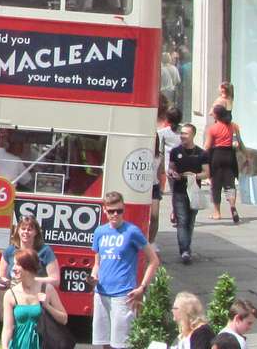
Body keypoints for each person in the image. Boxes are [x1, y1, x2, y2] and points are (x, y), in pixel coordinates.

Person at [89, 192, 160, 349]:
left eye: (119, 211)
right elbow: (97, 263)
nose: (115, 214)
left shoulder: (132, 231)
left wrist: (142, 287)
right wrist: (94, 275)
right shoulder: (100, 232)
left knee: (121, 345)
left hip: (123, 295)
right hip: (101, 294)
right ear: (105, 210)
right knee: (104, 343)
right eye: (111, 211)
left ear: (124, 209)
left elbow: (154, 260)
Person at [0, 251, 68, 349]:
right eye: (14, 264)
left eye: (18, 265)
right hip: (19, 346)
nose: (13, 268)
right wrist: (5, 347)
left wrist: (47, 306)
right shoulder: (10, 294)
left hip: (44, 345)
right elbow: (7, 328)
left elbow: (64, 319)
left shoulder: (47, 289)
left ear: (29, 267)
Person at [167, 123, 209, 264]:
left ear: (193, 135)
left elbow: (206, 173)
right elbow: (170, 169)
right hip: (179, 191)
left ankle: (187, 247)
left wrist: (194, 175)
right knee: (182, 221)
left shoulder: (202, 154)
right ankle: (184, 250)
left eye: (186, 133)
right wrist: (173, 174)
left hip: (194, 192)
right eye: (182, 133)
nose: (182, 136)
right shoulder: (175, 151)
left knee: (190, 222)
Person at [0, 216, 61, 290]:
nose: (26, 232)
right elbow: (0, 278)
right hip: (14, 296)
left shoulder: (45, 251)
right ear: (18, 230)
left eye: (29, 229)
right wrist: (6, 283)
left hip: (37, 296)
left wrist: (30, 280)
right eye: (23, 229)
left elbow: (56, 280)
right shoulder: (9, 251)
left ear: (36, 232)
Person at [203, 104, 241, 222]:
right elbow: (240, 142)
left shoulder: (213, 128)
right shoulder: (233, 126)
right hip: (230, 156)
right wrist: (247, 156)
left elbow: (207, 146)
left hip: (217, 156)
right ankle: (233, 206)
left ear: (216, 115)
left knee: (216, 185)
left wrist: (199, 156)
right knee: (230, 184)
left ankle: (217, 212)